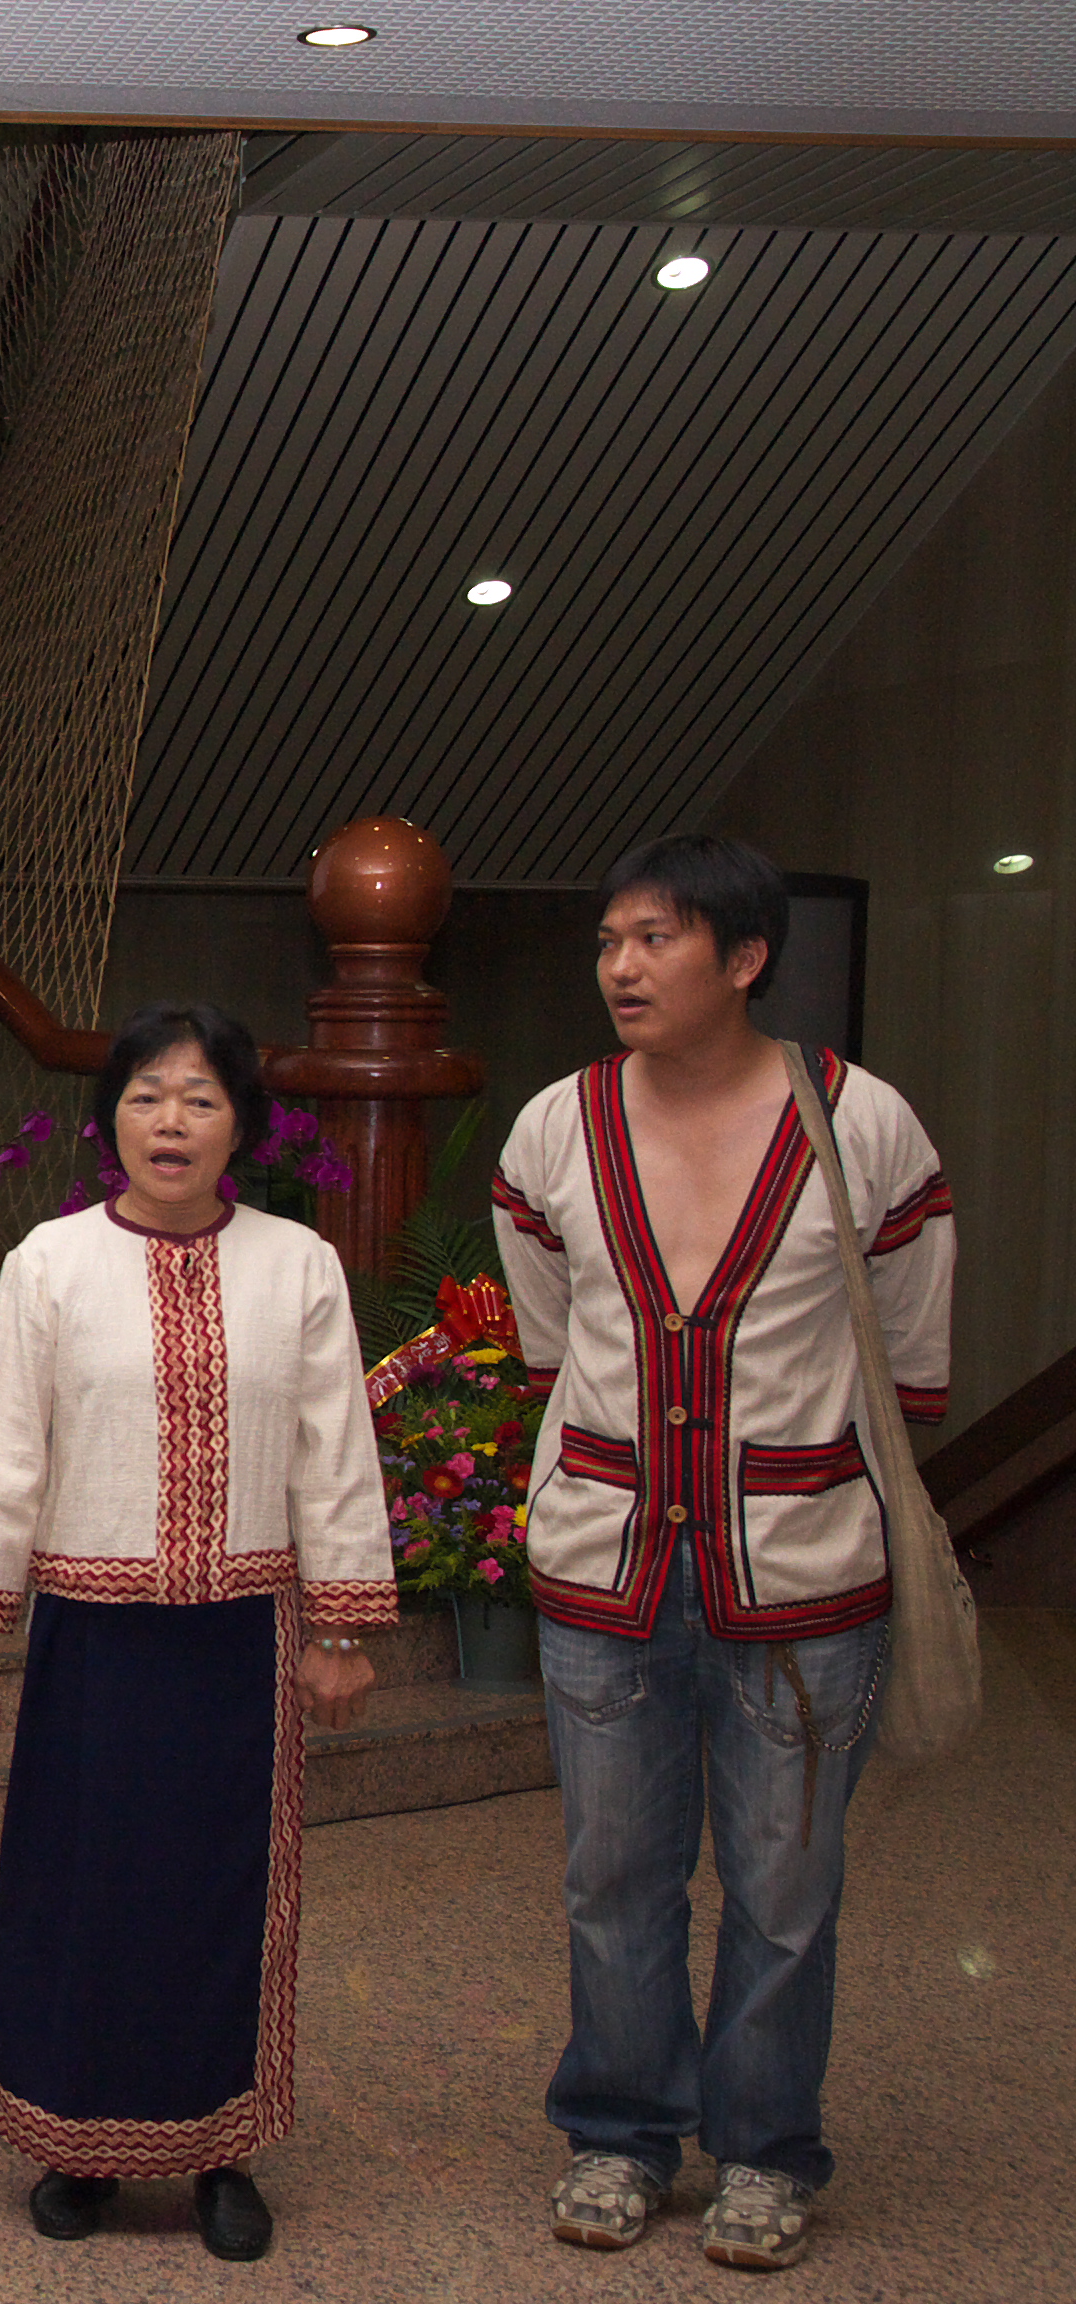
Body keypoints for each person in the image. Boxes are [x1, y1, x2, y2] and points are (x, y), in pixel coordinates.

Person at [492, 835, 952, 2272]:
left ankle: (763, 2150)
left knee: (785, 1884)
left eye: (656, 940)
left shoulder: (861, 1122)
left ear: (744, 959)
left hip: (805, 1574)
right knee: (612, 1873)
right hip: (606, 1564)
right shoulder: (553, 1129)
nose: (622, 967)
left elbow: (915, 1363)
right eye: (611, 942)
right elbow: (553, 1336)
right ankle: (620, 2132)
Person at [0, 1001, 393, 2264]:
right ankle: (74, 2142)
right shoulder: (51, 1264)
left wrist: (341, 1622)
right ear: (108, 1117)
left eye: (198, 1098)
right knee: (84, 1894)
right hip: (94, 1636)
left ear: (241, 1124)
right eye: (144, 1094)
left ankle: (218, 2148)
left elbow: (334, 1449)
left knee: (221, 1898)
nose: (168, 1121)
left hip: (240, 1639)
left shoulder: (299, 1265)